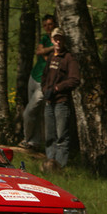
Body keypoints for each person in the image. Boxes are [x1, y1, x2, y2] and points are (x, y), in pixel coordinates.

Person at [41, 27, 79, 168]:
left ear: (63, 40)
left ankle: (60, 166)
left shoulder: (69, 58)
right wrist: (45, 89)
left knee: (62, 136)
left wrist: (58, 88)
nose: (57, 41)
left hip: (62, 102)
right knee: (50, 136)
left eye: (60, 38)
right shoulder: (51, 57)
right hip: (49, 102)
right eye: (55, 38)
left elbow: (75, 79)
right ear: (51, 40)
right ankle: (50, 165)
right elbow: (44, 76)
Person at [19, 14, 56, 151]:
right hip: (34, 76)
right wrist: (48, 50)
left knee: (30, 111)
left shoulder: (58, 41)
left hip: (44, 82)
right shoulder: (46, 38)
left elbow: (49, 59)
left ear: (55, 24)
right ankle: (34, 142)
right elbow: (38, 51)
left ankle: (26, 139)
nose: (47, 27)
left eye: (50, 24)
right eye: (45, 25)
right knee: (34, 112)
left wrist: (47, 51)